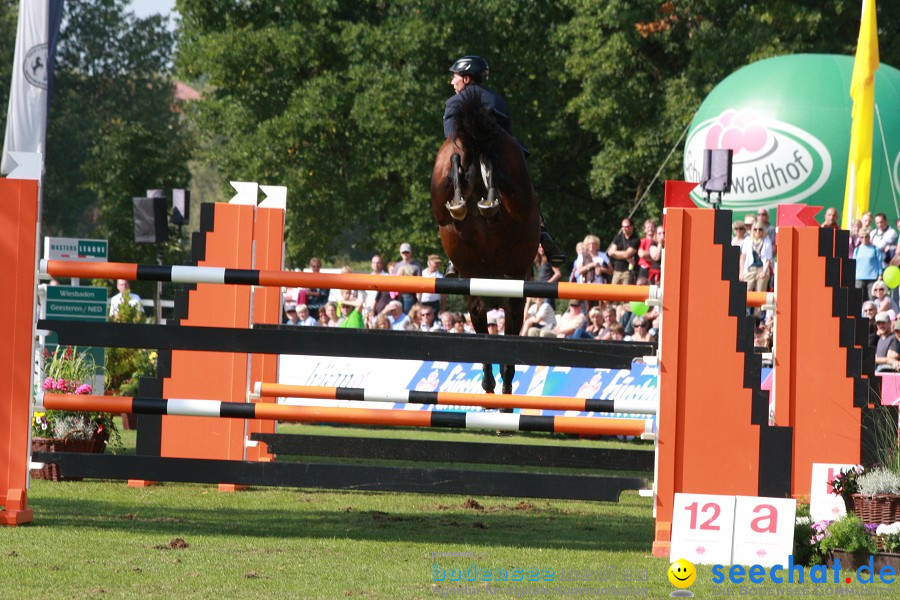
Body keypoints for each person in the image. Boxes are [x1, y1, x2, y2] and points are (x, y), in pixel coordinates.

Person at [442, 55, 565, 269]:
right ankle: (543, 232)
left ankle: (453, 256)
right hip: (498, 165)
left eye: (455, 77)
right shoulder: (497, 100)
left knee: (445, 187)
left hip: (465, 165)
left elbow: (452, 142)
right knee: (525, 187)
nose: (452, 82)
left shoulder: (453, 103)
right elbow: (506, 139)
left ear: (467, 79)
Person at [608, 218, 640, 285]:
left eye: (627, 227)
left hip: (628, 271)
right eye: (623, 227)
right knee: (613, 292)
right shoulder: (618, 237)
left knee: (626, 293)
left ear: (632, 227)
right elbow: (610, 252)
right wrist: (626, 256)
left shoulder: (635, 239)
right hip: (617, 270)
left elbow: (627, 254)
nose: (624, 229)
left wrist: (616, 253)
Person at [391, 243, 422, 313]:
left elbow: (420, 283)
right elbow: (393, 281)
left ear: (411, 253)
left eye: (407, 252)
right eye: (403, 252)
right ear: (400, 253)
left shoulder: (416, 265)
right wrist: (399, 274)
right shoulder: (397, 265)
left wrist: (419, 299)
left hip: (411, 295)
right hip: (398, 295)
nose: (405, 254)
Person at [853, 228, 882, 299]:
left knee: (872, 297)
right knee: (858, 298)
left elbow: (879, 262)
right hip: (859, 277)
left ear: (869, 237)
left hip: (872, 277)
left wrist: (880, 275)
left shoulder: (875, 249)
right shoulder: (857, 249)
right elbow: (853, 263)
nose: (864, 239)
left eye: (866, 237)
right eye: (862, 237)